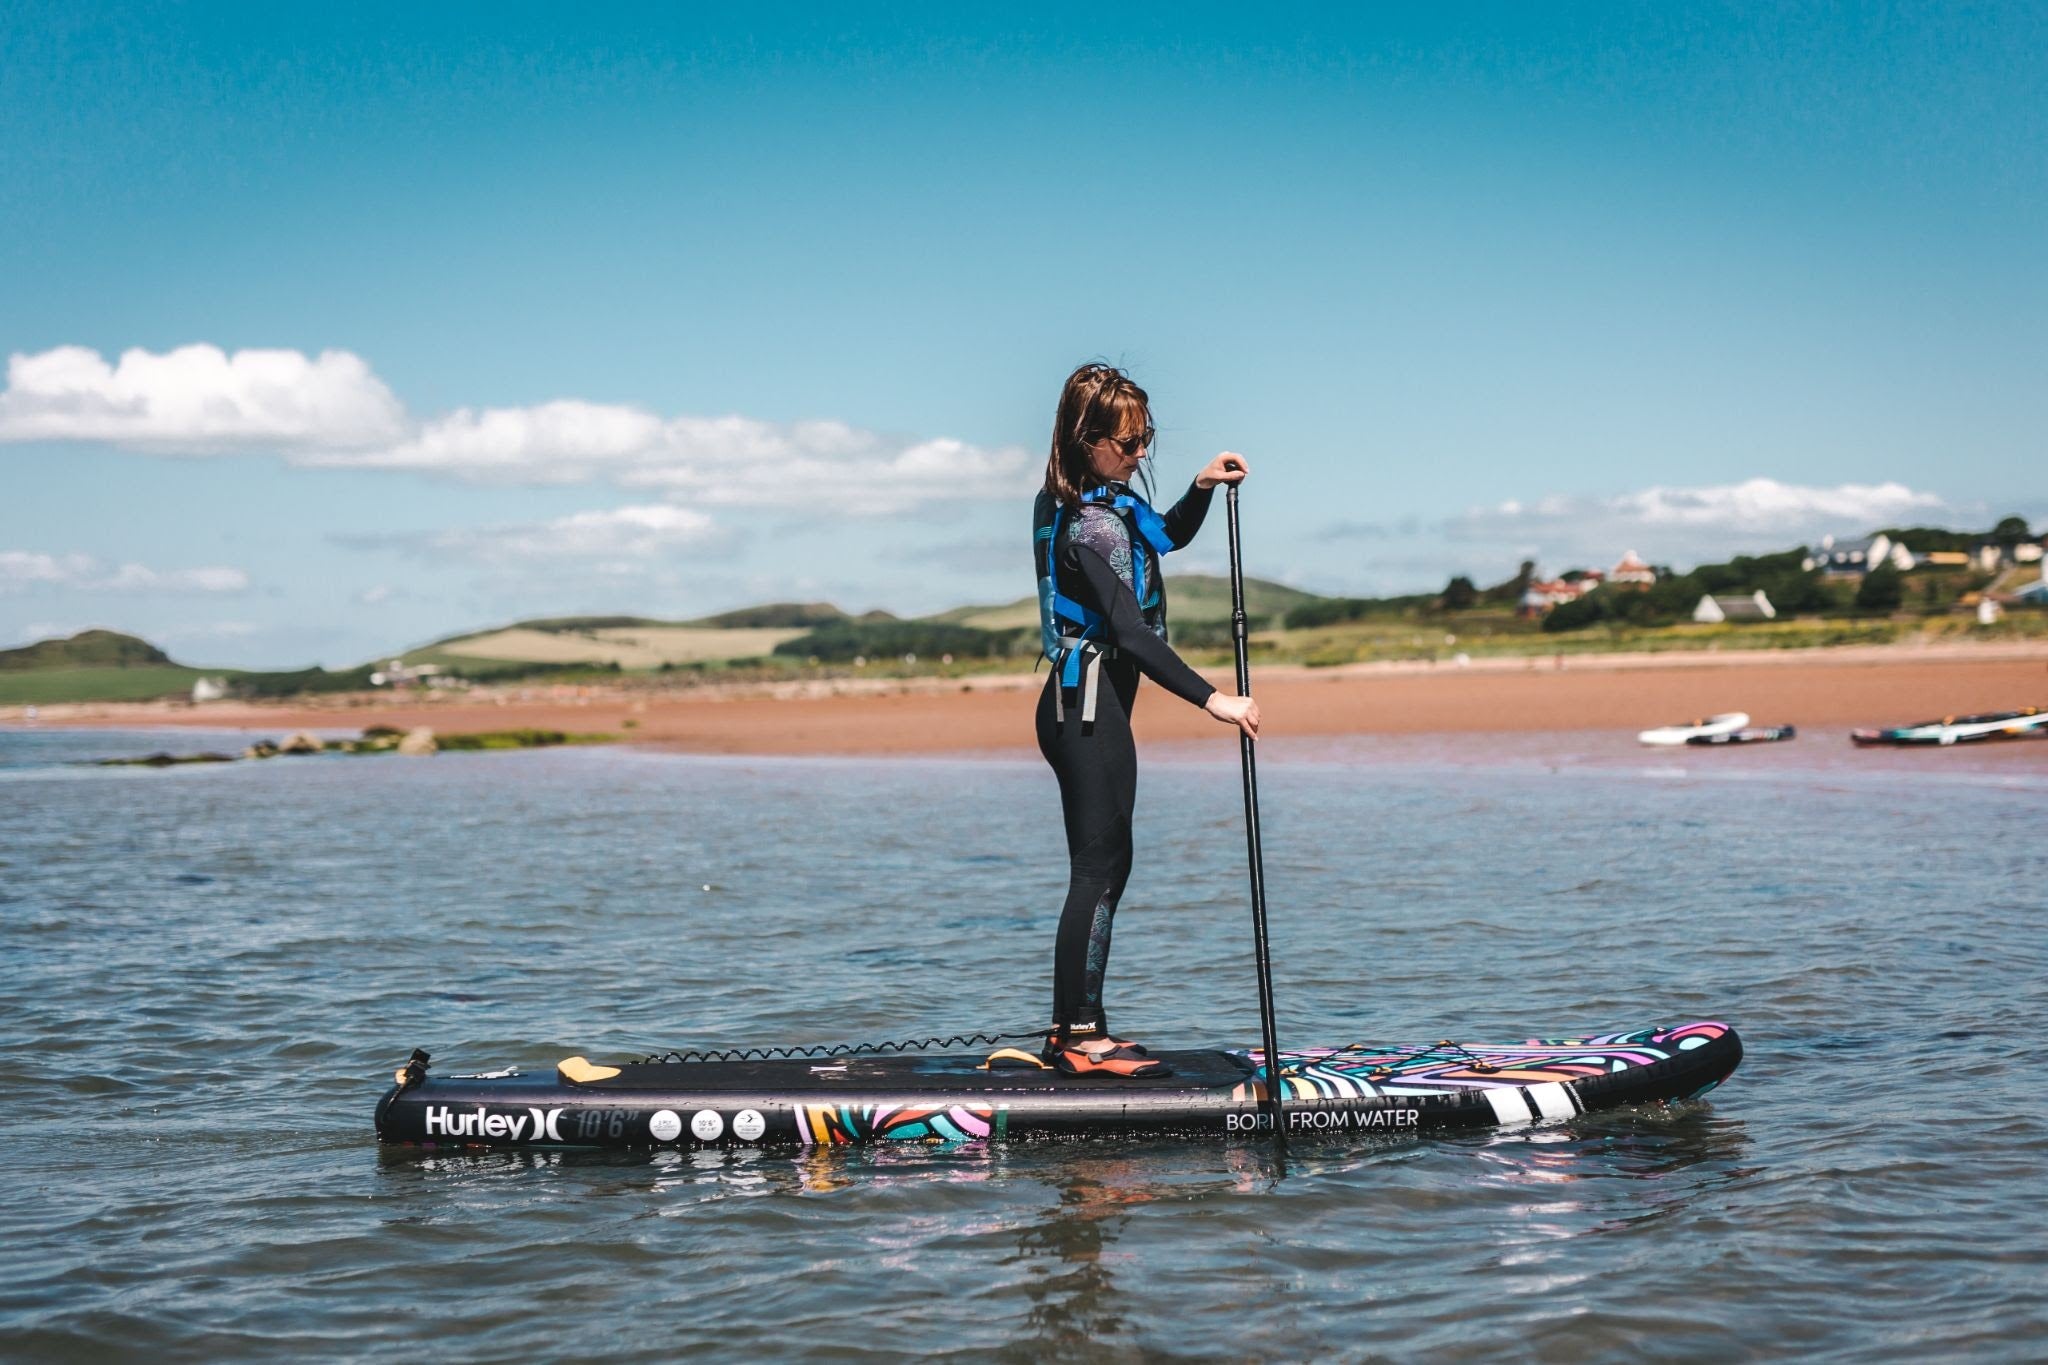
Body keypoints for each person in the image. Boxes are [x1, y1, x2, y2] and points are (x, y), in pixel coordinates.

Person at [1031, 362, 1258, 1079]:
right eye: (1126, 443)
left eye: (1144, 442)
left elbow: (1167, 537)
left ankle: (1083, 1025)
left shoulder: (1112, 508)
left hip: (1095, 707)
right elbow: (1131, 632)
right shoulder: (1086, 527)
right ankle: (1075, 1040)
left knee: (1110, 865)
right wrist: (1213, 698)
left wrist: (1199, 486)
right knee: (1096, 869)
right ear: (1085, 439)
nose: (1137, 456)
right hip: (1085, 708)